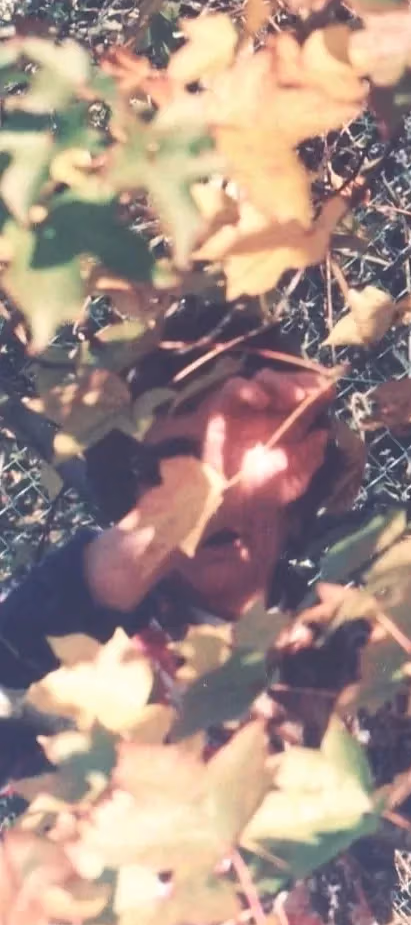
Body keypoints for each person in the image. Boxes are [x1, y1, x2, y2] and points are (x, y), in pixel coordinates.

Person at [0, 300, 359, 783]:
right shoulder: (89, 652)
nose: (219, 491)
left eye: (240, 458)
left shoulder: (357, 651)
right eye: (173, 465)